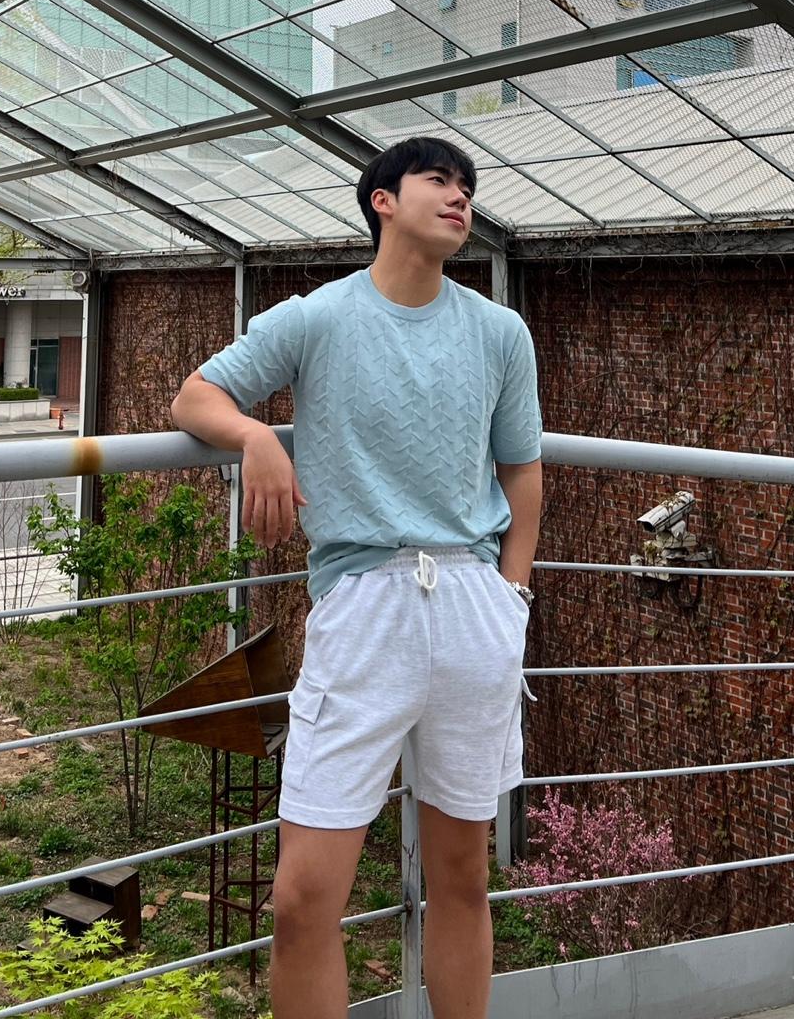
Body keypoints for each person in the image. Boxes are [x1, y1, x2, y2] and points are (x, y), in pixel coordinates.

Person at [171, 135, 542, 1019]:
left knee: (463, 878)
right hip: (363, 605)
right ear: (383, 200)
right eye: (438, 180)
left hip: (473, 605)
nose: (460, 197)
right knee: (302, 899)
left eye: (467, 186)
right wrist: (256, 437)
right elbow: (195, 397)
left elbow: (522, 469)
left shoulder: (499, 331)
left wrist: (512, 595)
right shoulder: (319, 317)